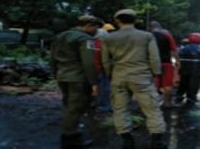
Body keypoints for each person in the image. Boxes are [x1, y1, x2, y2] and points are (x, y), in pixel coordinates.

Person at [102, 10, 166, 149]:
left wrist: (109, 74)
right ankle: (156, 141)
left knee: (120, 109)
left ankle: (127, 141)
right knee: (152, 109)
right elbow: (154, 58)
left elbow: (105, 61)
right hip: (141, 76)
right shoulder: (146, 36)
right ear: (134, 20)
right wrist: (156, 73)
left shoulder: (109, 38)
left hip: (119, 76)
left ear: (117, 21)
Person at [50, 15, 101, 148]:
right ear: (89, 25)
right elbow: (88, 63)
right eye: (95, 27)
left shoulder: (60, 36)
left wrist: (55, 74)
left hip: (62, 75)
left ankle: (71, 131)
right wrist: (94, 82)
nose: (96, 30)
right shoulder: (84, 38)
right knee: (75, 107)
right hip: (78, 78)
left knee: (68, 104)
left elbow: (52, 59)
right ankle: (70, 137)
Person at [175, 33, 200, 106]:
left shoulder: (183, 48)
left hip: (184, 68)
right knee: (194, 84)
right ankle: (191, 98)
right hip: (196, 69)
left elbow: (178, 58)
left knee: (183, 82)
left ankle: (179, 95)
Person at [149, 21, 177, 109]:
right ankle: (167, 103)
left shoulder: (147, 36)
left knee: (152, 84)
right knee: (167, 85)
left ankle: (151, 104)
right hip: (166, 63)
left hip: (151, 63)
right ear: (160, 27)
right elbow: (173, 50)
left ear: (151, 28)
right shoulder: (167, 35)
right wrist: (177, 61)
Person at [94, 23, 115, 113]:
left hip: (94, 69)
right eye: (109, 31)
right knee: (105, 88)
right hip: (101, 69)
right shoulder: (104, 44)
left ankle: (100, 103)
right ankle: (107, 105)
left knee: (99, 87)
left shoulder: (92, 42)